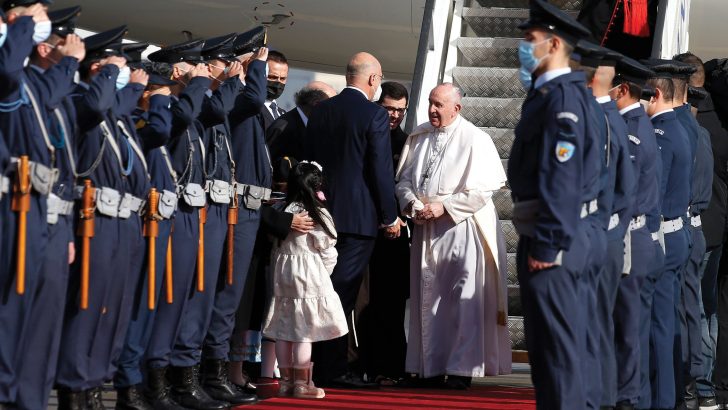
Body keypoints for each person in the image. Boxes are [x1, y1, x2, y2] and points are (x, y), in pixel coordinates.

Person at [509, 1, 596, 407]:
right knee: (545, 355)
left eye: (531, 41)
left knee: (559, 355)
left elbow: (563, 179)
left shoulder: (562, 100)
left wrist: (547, 242)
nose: (524, 48)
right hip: (541, 234)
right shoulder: (545, 94)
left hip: (553, 240)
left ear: (554, 43)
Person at [395, 83, 510, 389]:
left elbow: (484, 189)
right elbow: (404, 180)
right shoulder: (419, 136)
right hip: (426, 227)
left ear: (456, 108)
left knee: (460, 300)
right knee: (428, 298)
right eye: (431, 103)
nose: (432, 109)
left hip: (462, 228)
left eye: (439, 105)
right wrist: (413, 203)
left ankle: (460, 369)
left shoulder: (476, 139)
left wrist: (443, 206)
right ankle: (427, 367)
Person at [304, 51, 401, 388]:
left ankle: (313, 363)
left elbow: (312, 163)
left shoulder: (320, 111)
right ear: (373, 80)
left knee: (321, 289)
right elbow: (380, 170)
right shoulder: (373, 114)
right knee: (340, 294)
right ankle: (331, 369)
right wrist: (390, 216)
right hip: (358, 221)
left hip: (320, 214)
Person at [144, 40, 229, 410]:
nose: (204, 71)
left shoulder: (194, 104)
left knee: (188, 299)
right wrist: (196, 84)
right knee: (168, 300)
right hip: (172, 211)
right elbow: (183, 118)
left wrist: (215, 81)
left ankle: (181, 375)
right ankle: (156, 380)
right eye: (194, 66)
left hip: (195, 211)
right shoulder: (168, 107)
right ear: (176, 70)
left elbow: (218, 109)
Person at [261, 161, 348, 399]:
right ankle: (302, 384)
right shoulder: (317, 212)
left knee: (283, 328)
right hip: (308, 273)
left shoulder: (282, 208)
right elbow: (327, 249)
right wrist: (324, 275)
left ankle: (285, 382)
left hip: (283, 272)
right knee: (303, 331)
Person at [609, 56, 662, 410]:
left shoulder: (630, 130)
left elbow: (622, 193)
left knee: (626, 327)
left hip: (629, 237)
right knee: (629, 326)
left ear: (623, 89)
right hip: (637, 236)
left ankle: (626, 398)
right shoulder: (634, 124)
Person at [641, 58, 693, 410]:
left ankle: (658, 400)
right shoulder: (682, 126)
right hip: (676, 235)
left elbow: (652, 195)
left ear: (655, 95)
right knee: (666, 322)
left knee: (657, 326)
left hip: (660, 237)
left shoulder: (661, 134)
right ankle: (666, 397)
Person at [682, 53, 728, 410]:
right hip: (717, 224)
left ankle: (696, 383)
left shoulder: (688, 122)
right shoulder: (720, 119)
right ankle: (707, 384)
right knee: (708, 309)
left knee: (692, 309)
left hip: (691, 226)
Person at [357, 81, 411, 386]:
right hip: (365, 229)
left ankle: (391, 367)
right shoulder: (364, 136)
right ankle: (361, 364)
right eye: (388, 108)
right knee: (362, 303)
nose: (394, 115)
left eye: (400, 111)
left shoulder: (408, 144)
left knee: (390, 305)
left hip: (394, 235)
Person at [669, 56, 712, 409]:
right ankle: (692, 383)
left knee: (683, 311)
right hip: (693, 228)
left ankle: (687, 385)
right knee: (690, 310)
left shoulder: (681, 131)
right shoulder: (700, 133)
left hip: (679, 228)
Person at [266, 84, 330, 161]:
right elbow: (269, 163)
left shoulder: (312, 126)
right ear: (316, 103)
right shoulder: (282, 127)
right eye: (331, 106)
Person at [260, 50, 288, 129]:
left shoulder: (284, 114)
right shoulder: (250, 109)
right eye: (273, 77)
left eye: (282, 78)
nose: (278, 82)